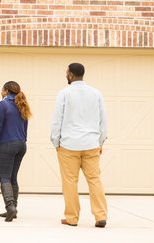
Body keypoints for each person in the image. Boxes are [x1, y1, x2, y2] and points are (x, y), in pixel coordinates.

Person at [50, 63, 108, 228]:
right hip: (91, 144)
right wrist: (100, 141)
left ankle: (72, 217)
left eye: (66, 72)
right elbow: (103, 120)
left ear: (70, 75)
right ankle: (100, 216)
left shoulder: (64, 93)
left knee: (70, 181)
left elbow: (57, 120)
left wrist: (56, 142)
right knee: (94, 179)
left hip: (68, 145)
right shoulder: (96, 93)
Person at [0, 81, 31, 222]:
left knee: (4, 178)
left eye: (2, 89)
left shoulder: (2, 104)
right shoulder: (22, 104)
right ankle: (14, 208)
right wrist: (23, 140)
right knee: (13, 177)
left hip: (7, 144)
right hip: (21, 145)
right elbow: (25, 126)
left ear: (6, 91)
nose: (1, 91)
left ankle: (10, 207)